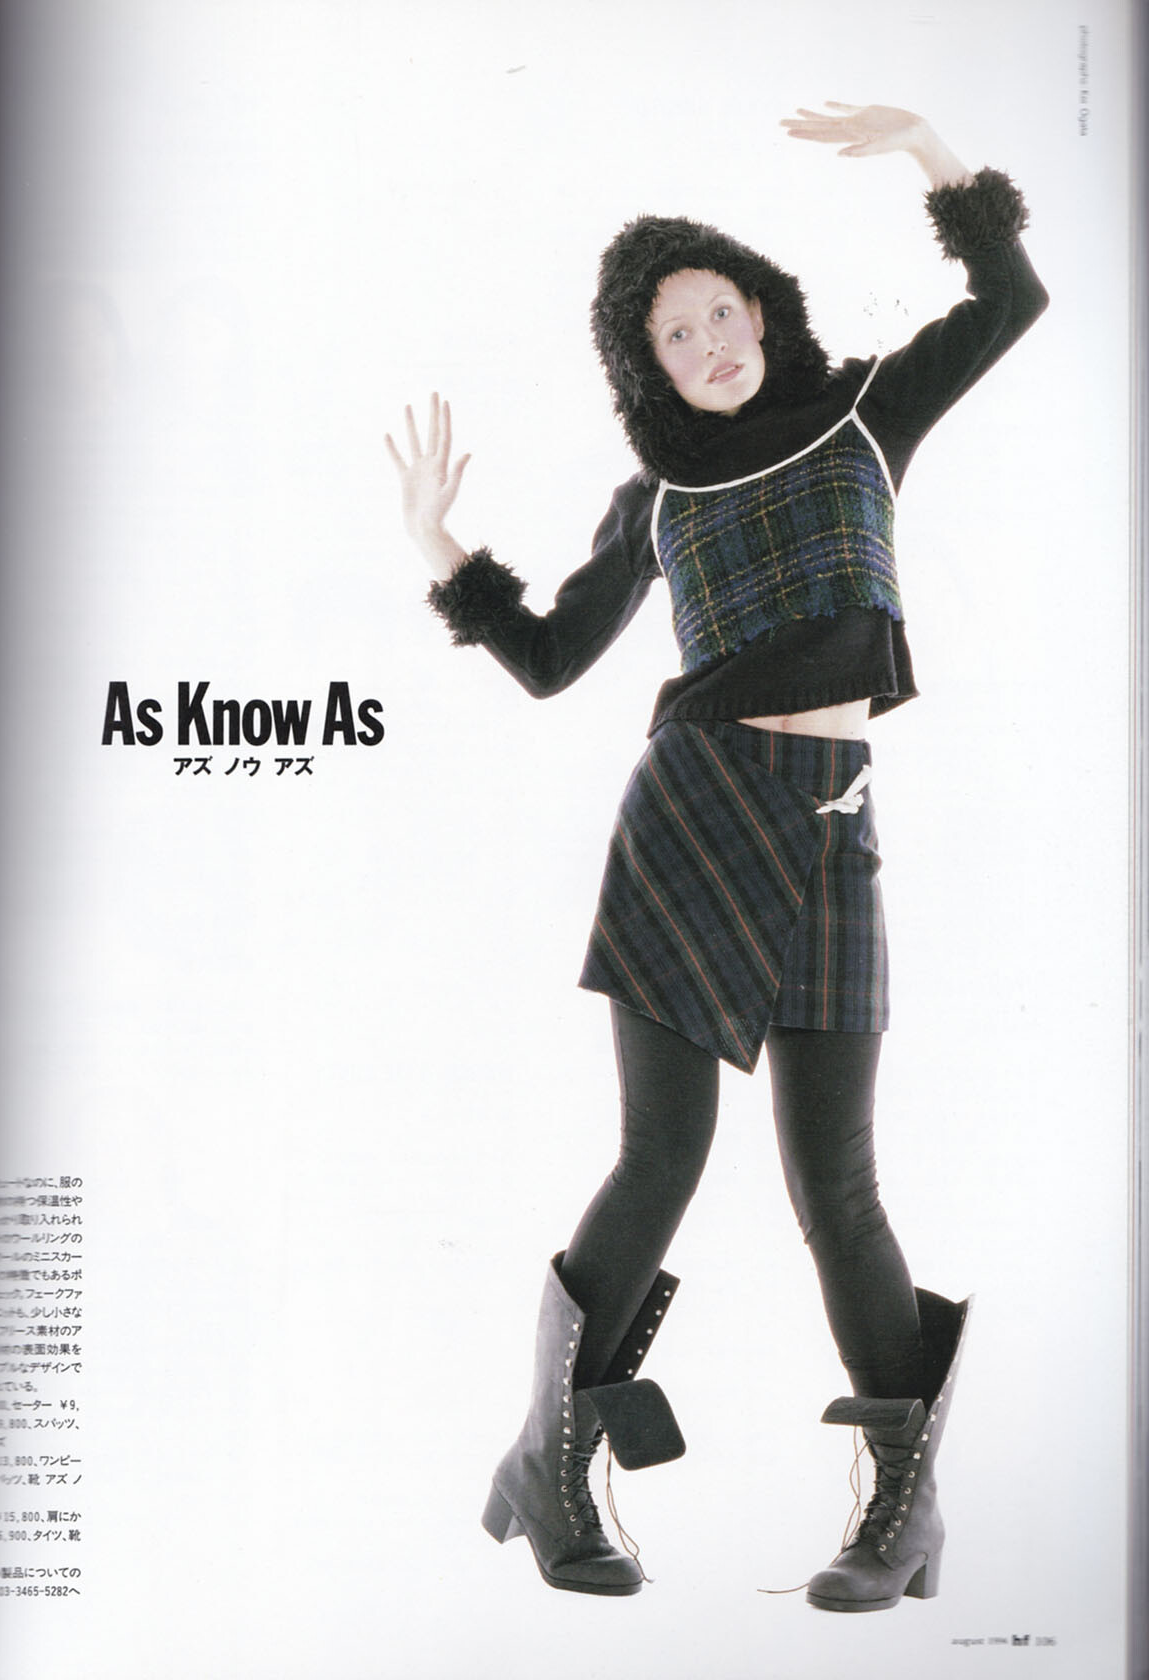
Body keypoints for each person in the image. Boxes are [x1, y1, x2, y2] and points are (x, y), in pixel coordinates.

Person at [385, 103, 1048, 1611]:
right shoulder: (661, 498)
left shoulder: (866, 413)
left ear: (762, 309)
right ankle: (550, 1465)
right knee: (661, 1161)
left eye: (719, 313)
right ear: (653, 371)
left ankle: (903, 1513)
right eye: (674, 338)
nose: (707, 345)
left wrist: (930, 150)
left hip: (832, 821)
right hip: (692, 814)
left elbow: (1010, 299)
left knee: (841, 1189)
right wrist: (438, 543)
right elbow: (551, 659)